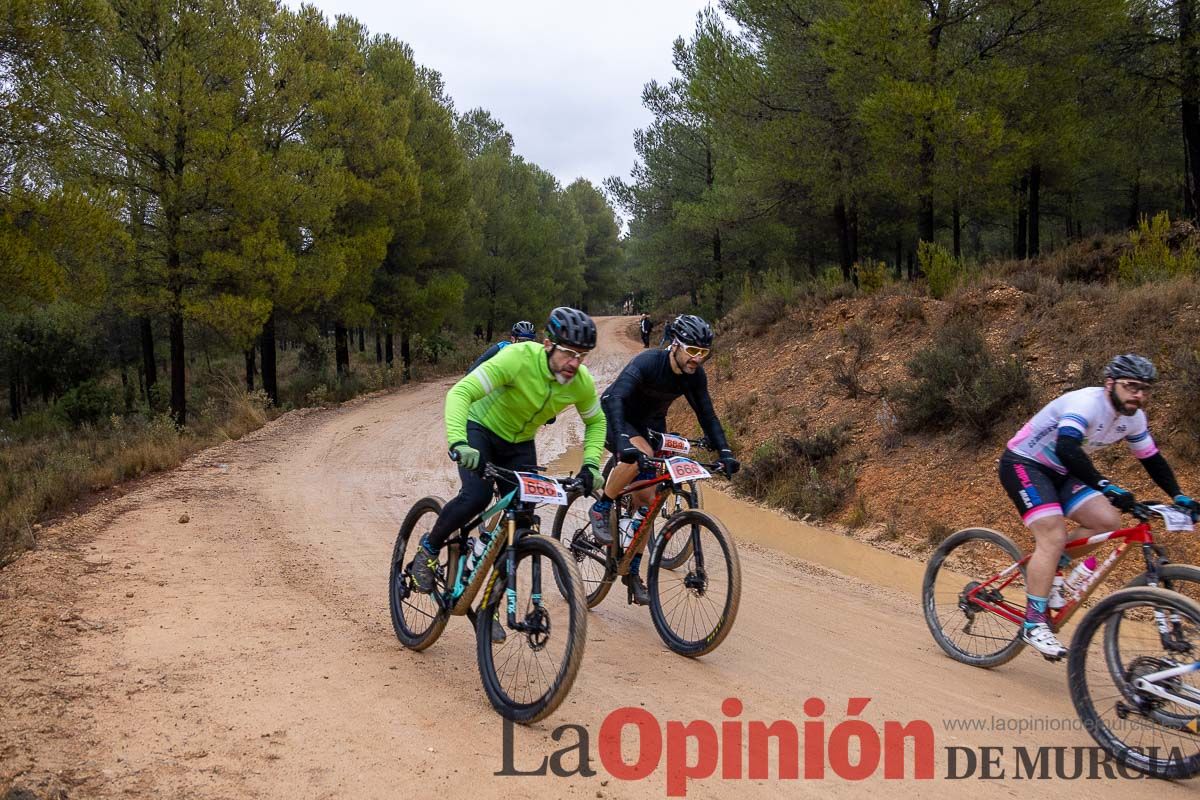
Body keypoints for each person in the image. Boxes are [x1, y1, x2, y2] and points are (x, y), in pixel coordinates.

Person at [999, 354, 1199, 659]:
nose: (1138, 395)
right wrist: (1106, 485)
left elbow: (1151, 459)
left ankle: (1050, 568)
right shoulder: (1086, 404)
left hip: (1063, 471)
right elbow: (1067, 448)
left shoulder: (1134, 418)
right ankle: (1034, 622)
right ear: (1110, 384)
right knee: (1051, 537)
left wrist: (1178, 495)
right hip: (1026, 464)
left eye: (1144, 389)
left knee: (1107, 520)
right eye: (1131, 386)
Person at [410, 308, 607, 604]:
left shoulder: (580, 382)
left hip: (519, 444)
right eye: (569, 353)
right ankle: (428, 549)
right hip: (480, 429)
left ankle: (491, 604)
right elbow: (460, 392)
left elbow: (596, 422)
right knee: (476, 496)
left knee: (523, 517)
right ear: (548, 344)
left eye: (582, 355)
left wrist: (591, 464)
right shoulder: (518, 359)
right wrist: (459, 442)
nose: (574, 363)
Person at [588, 314, 740, 604]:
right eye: (692, 350)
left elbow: (706, 415)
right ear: (674, 345)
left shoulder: (694, 376)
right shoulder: (648, 362)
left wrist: (725, 452)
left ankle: (632, 571)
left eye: (703, 353)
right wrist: (621, 439)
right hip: (617, 418)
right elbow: (614, 398)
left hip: (651, 424)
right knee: (639, 456)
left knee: (650, 501)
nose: (697, 358)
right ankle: (602, 506)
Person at [466, 320, 537, 374]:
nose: (526, 344)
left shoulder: (537, 353)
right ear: (513, 339)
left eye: (530, 341)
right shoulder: (502, 346)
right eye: (522, 341)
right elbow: (481, 360)